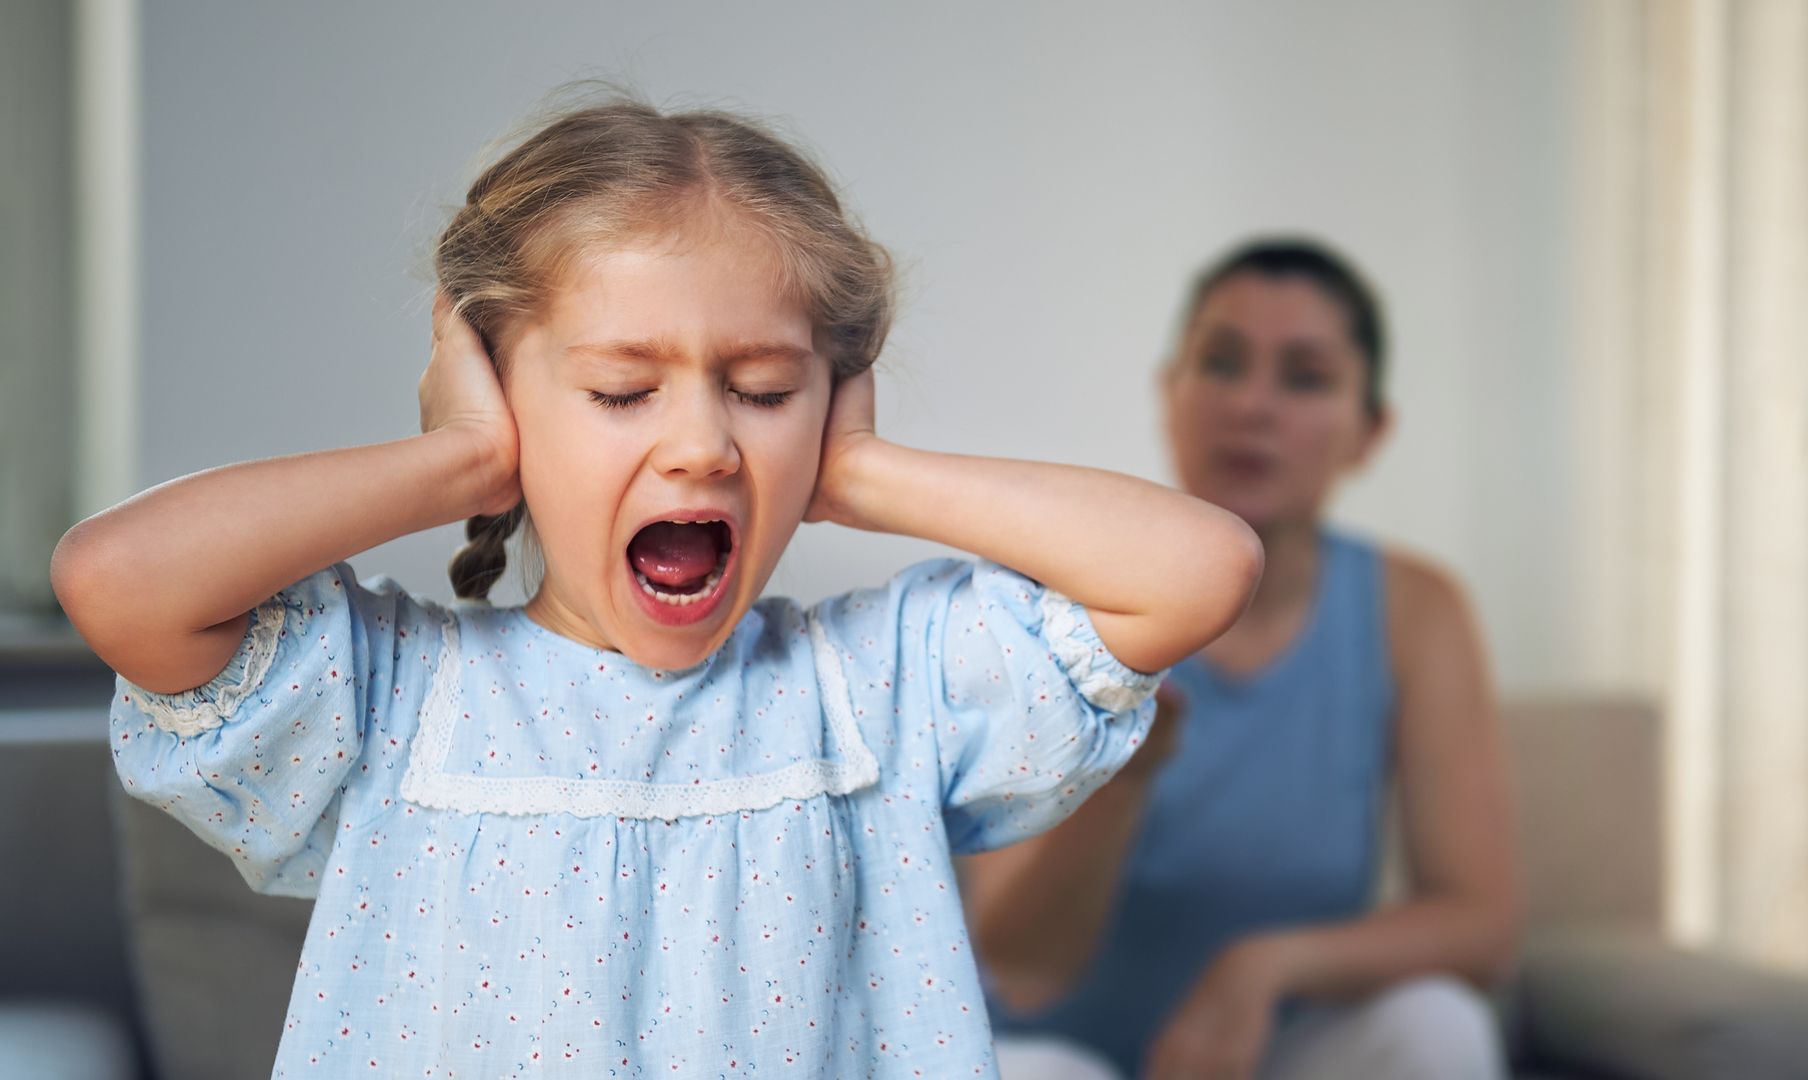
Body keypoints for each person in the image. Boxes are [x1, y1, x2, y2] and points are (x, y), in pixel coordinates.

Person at [49, 97, 1263, 1076]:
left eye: (766, 391)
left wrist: (864, 474)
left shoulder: (877, 690)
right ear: (495, 387)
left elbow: (1200, 569)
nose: (702, 446)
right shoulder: (395, 701)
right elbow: (118, 581)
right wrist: (460, 461)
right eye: (624, 392)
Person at [966, 239, 1520, 1080]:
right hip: (1063, 1056)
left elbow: (1480, 924)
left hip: (1276, 1052)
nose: (1253, 406)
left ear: (1369, 432)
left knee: (1438, 1027)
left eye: (1304, 377)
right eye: (1221, 363)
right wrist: (1123, 778)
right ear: (1170, 393)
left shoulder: (1416, 610)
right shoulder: (1053, 601)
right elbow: (1010, 953)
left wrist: (1265, 965)